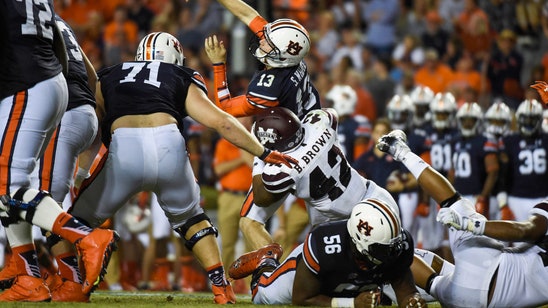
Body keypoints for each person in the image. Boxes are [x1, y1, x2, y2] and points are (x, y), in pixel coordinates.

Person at [67, 31, 296, 304]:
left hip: (123, 148)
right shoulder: (181, 75)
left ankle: (68, 282)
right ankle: (222, 289)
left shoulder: (109, 75)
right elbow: (221, 122)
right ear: (175, 56)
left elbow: (95, 124)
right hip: (169, 146)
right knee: (192, 220)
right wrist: (264, 151)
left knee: (73, 222)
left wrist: (81, 172)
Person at [0, 1, 118, 301]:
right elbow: (66, 55)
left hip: (31, 86)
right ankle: (27, 274)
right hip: (57, 88)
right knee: (14, 185)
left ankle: (86, 243)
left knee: (12, 187)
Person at [377, 129, 548, 307]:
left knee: (452, 202)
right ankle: (391, 280)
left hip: (487, 264)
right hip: (466, 300)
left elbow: (526, 230)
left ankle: (399, 150)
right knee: (435, 280)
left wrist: (470, 225)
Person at [204, 0, 321, 251]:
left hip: (286, 148)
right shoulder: (291, 56)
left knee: (250, 220)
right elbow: (248, 13)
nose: (262, 41)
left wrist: (217, 65)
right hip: (312, 134)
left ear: (280, 54)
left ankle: (272, 274)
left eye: (268, 42)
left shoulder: (269, 87)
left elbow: (225, 106)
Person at [228, 107, 399, 278]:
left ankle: (271, 277)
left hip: (336, 219)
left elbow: (261, 198)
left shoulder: (284, 170)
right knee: (393, 260)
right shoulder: (321, 122)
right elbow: (323, 112)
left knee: (332, 275)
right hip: (373, 196)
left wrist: (259, 153)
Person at [229, 198, 426, 307]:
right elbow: (302, 299)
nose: (393, 252)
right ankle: (266, 261)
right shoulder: (325, 245)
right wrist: (352, 304)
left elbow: (405, 289)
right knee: (260, 295)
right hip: (308, 278)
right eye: (384, 248)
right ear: (361, 243)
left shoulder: (396, 246)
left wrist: (412, 301)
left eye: (393, 245)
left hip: (350, 281)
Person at [450, 102, 499, 219]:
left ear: (478, 121)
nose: (467, 123)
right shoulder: (455, 141)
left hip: (475, 195)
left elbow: (493, 172)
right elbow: (452, 172)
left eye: (471, 120)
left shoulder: (485, 140)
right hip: (457, 196)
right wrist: (447, 196)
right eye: (464, 120)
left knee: (479, 234)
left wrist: (483, 197)